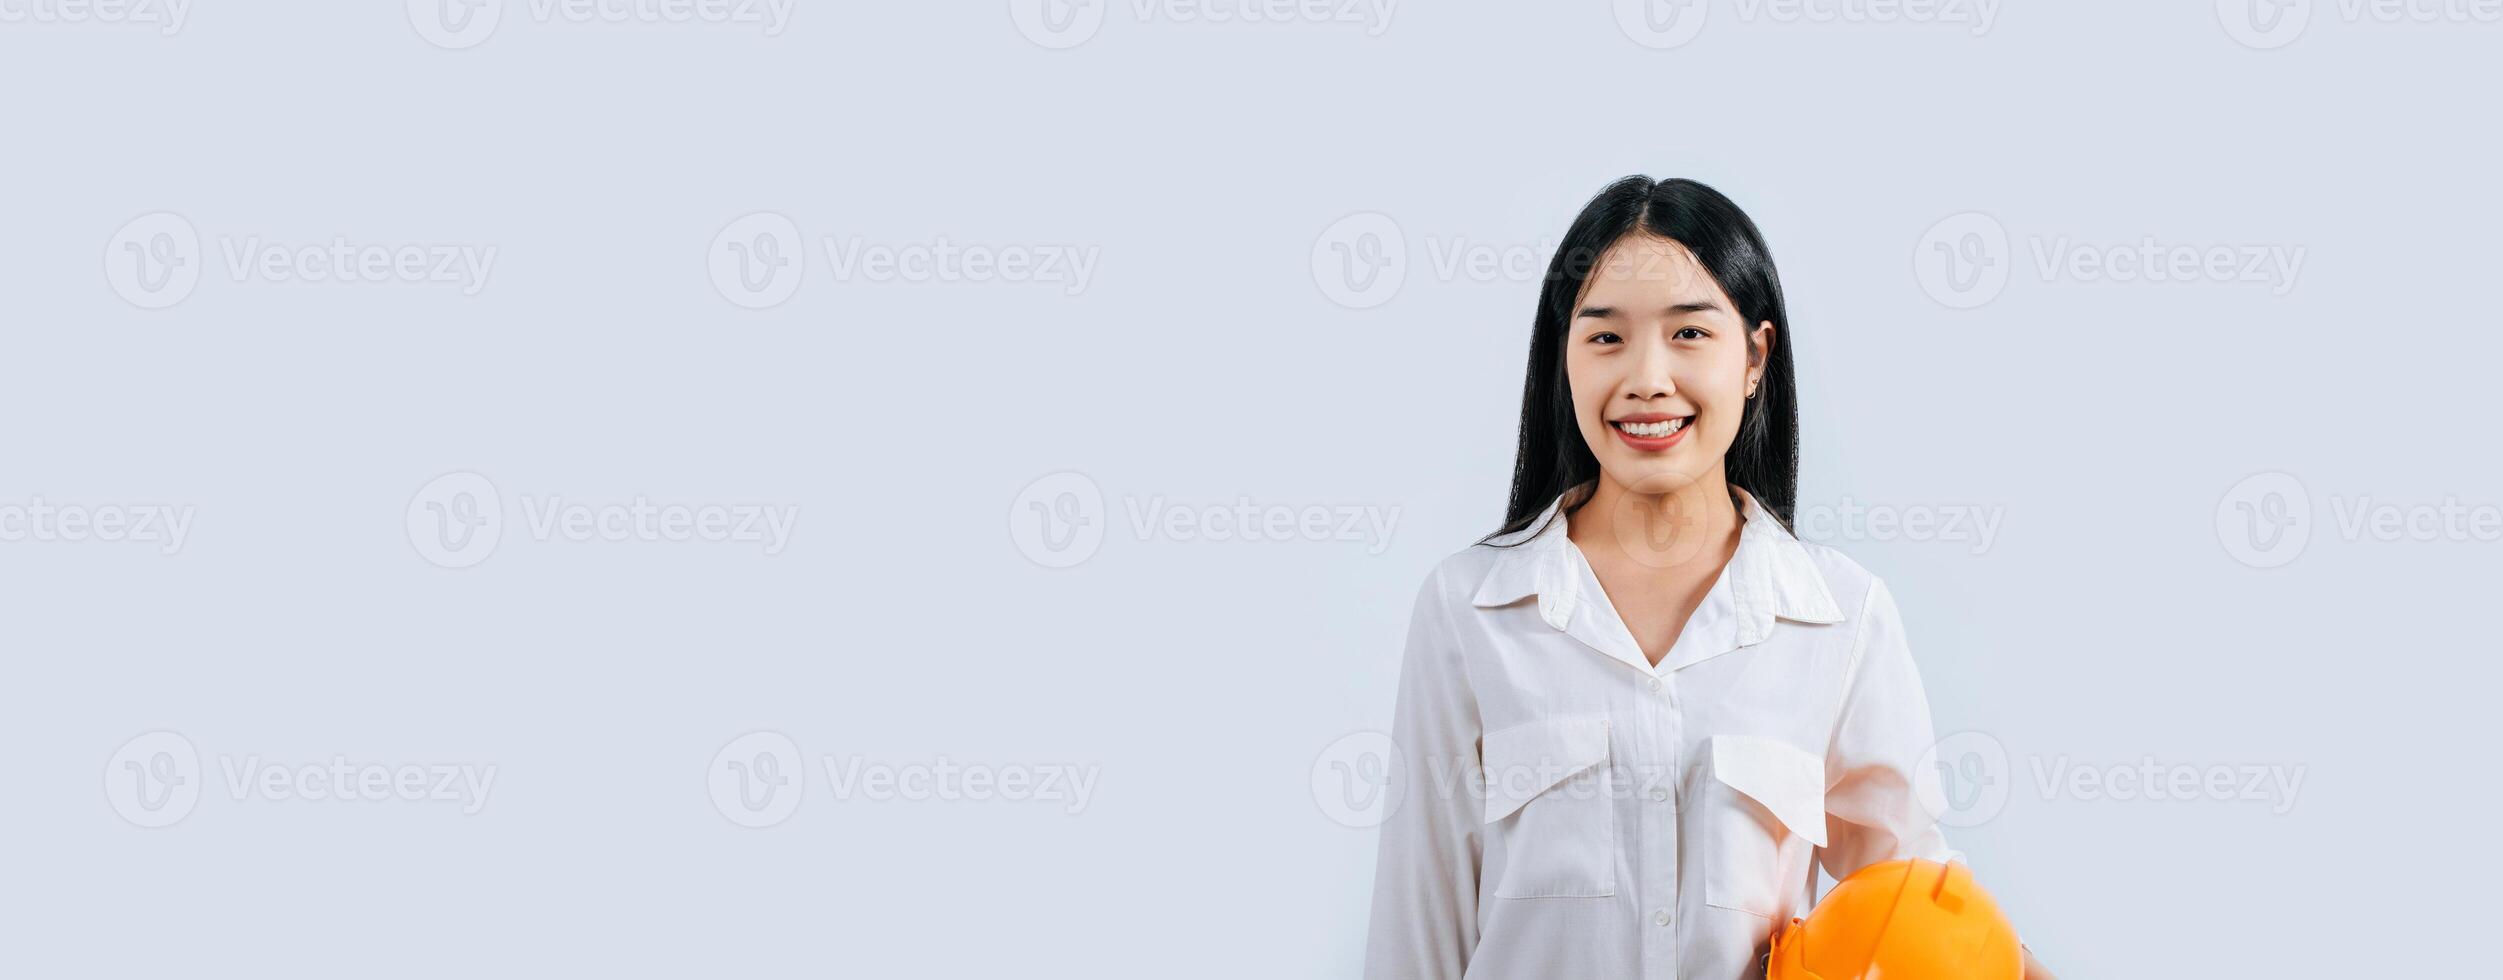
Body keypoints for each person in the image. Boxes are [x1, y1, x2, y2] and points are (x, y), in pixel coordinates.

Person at [1360, 176, 2053, 980]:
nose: (1647, 379)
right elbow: (1417, 928)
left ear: (1754, 355)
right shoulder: (1470, 611)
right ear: (1564, 360)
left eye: (1689, 334)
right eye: (1605, 338)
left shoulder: (1838, 615)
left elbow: (1913, 901)